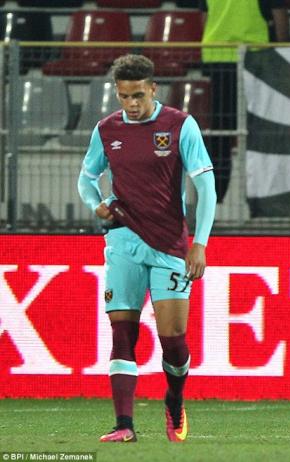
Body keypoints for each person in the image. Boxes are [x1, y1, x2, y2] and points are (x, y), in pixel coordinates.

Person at [77, 54, 217, 442]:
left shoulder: (179, 126)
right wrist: (96, 203)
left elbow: (206, 187)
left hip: (170, 243)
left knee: (173, 339)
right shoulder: (106, 130)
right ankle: (124, 426)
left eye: (138, 95)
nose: (132, 104)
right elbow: (86, 178)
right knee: (122, 331)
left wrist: (199, 244)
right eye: (124, 96)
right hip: (122, 239)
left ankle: (174, 400)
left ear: (154, 89)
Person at [199, 0, 290, 202]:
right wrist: (283, 55)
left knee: (221, 132)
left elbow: (204, 17)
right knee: (261, 129)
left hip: (217, 56)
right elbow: (279, 14)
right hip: (256, 57)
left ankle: (216, 201)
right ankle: (264, 200)